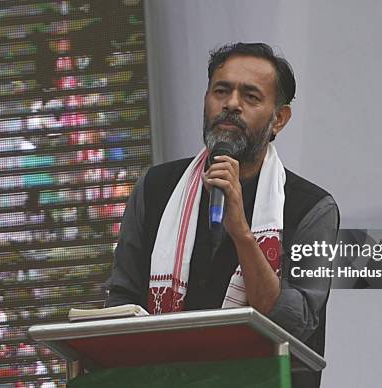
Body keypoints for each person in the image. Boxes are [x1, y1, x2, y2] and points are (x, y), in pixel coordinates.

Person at [106, 42, 339, 387]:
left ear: (279, 119)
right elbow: (122, 299)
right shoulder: (157, 188)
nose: (231, 104)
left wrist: (242, 233)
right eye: (221, 91)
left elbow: (296, 326)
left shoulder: (313, 209)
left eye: (251, 96)